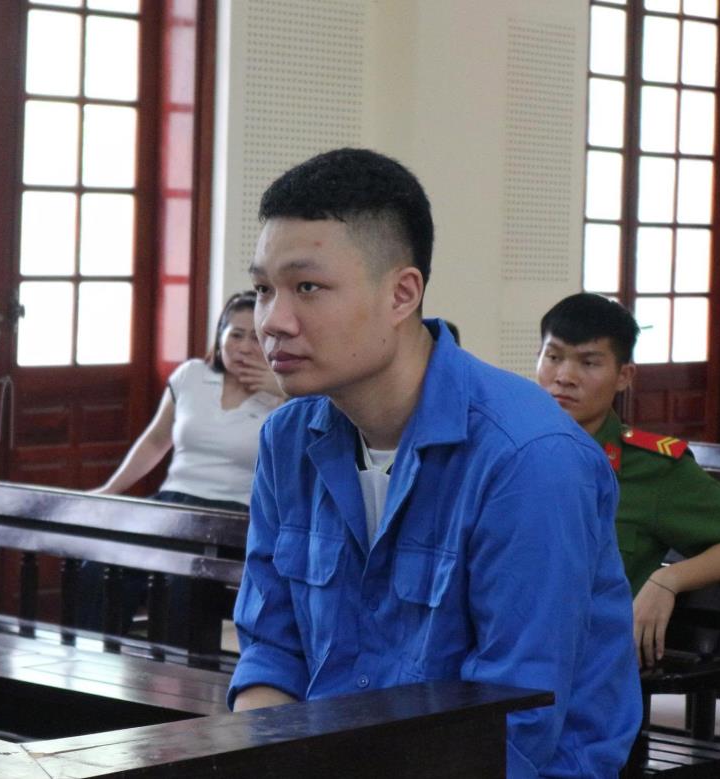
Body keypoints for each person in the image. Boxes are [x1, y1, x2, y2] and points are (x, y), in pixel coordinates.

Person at [230, 148, 641, 777]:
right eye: (264, 290)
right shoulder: (289, 439)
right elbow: (272, 650)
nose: (273, 322)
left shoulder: (528, 458)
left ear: (402, 294)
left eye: (307, 288)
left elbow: (515, 722)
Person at [535, 292, 720, 669]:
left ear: (624, 376)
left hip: (588, 668)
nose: (564, 377)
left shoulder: (651, 467)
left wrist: (668, 580)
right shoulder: (507, 451)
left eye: (589, 362)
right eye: (553, 357)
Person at [93, 290, 285, 510]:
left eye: (256, 338)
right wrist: (110, 490)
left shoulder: (287, 394)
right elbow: (155, 441)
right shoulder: (191, 374)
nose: (244, 348)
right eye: (236, 335)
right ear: (220, 338)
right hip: (175, 499)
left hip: (239, 510)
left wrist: (285, 392)